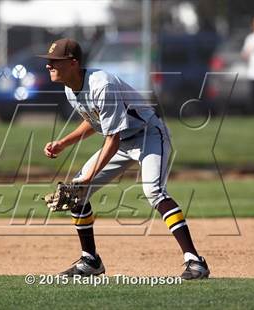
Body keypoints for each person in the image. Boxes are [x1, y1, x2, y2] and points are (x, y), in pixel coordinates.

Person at [37, 38, 210, 280]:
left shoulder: (101, 84)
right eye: (49, 61)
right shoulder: (70, 88)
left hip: (148, 134)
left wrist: (87, 178)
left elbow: (112, 139)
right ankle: (90, 261)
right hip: (121, 139)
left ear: (73, 63)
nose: (49, 65)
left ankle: (195, 261)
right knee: (78, 192)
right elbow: (95, 119)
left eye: (55, 61)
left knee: (154, 192)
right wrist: (64, 143)